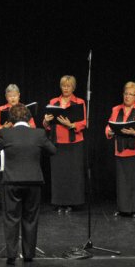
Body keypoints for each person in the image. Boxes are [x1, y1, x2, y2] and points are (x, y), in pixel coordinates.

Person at [0, 104, 56, 265]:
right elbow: (53, 150)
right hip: (34, 182)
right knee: (30, 218)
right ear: (29, 118)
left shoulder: (5, 133)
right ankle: (29, 254)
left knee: (11, 218)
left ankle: (11, 255)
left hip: (11, 182)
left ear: (11, 120)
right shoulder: (38, 133)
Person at [105, 82, 135, 218]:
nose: (127, 97)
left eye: (131, 94)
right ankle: (123, 208)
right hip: (121, 150)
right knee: (123, 181)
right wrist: (110, 131)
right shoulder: (116, 109)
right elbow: (109, 126)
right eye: (126, 93)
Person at [43, 75, 86, 213]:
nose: (66, 88)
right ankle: (60, 202)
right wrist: (46, 120)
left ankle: (72, 203)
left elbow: (84, 122)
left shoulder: (79, 102)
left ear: (73, 87)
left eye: (68, 86)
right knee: (58, 174)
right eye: (63, 86)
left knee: (73, 174)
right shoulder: (53, 102)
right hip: (57, 142)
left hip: (74, 143)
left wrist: (71, 124)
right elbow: (46, 126)